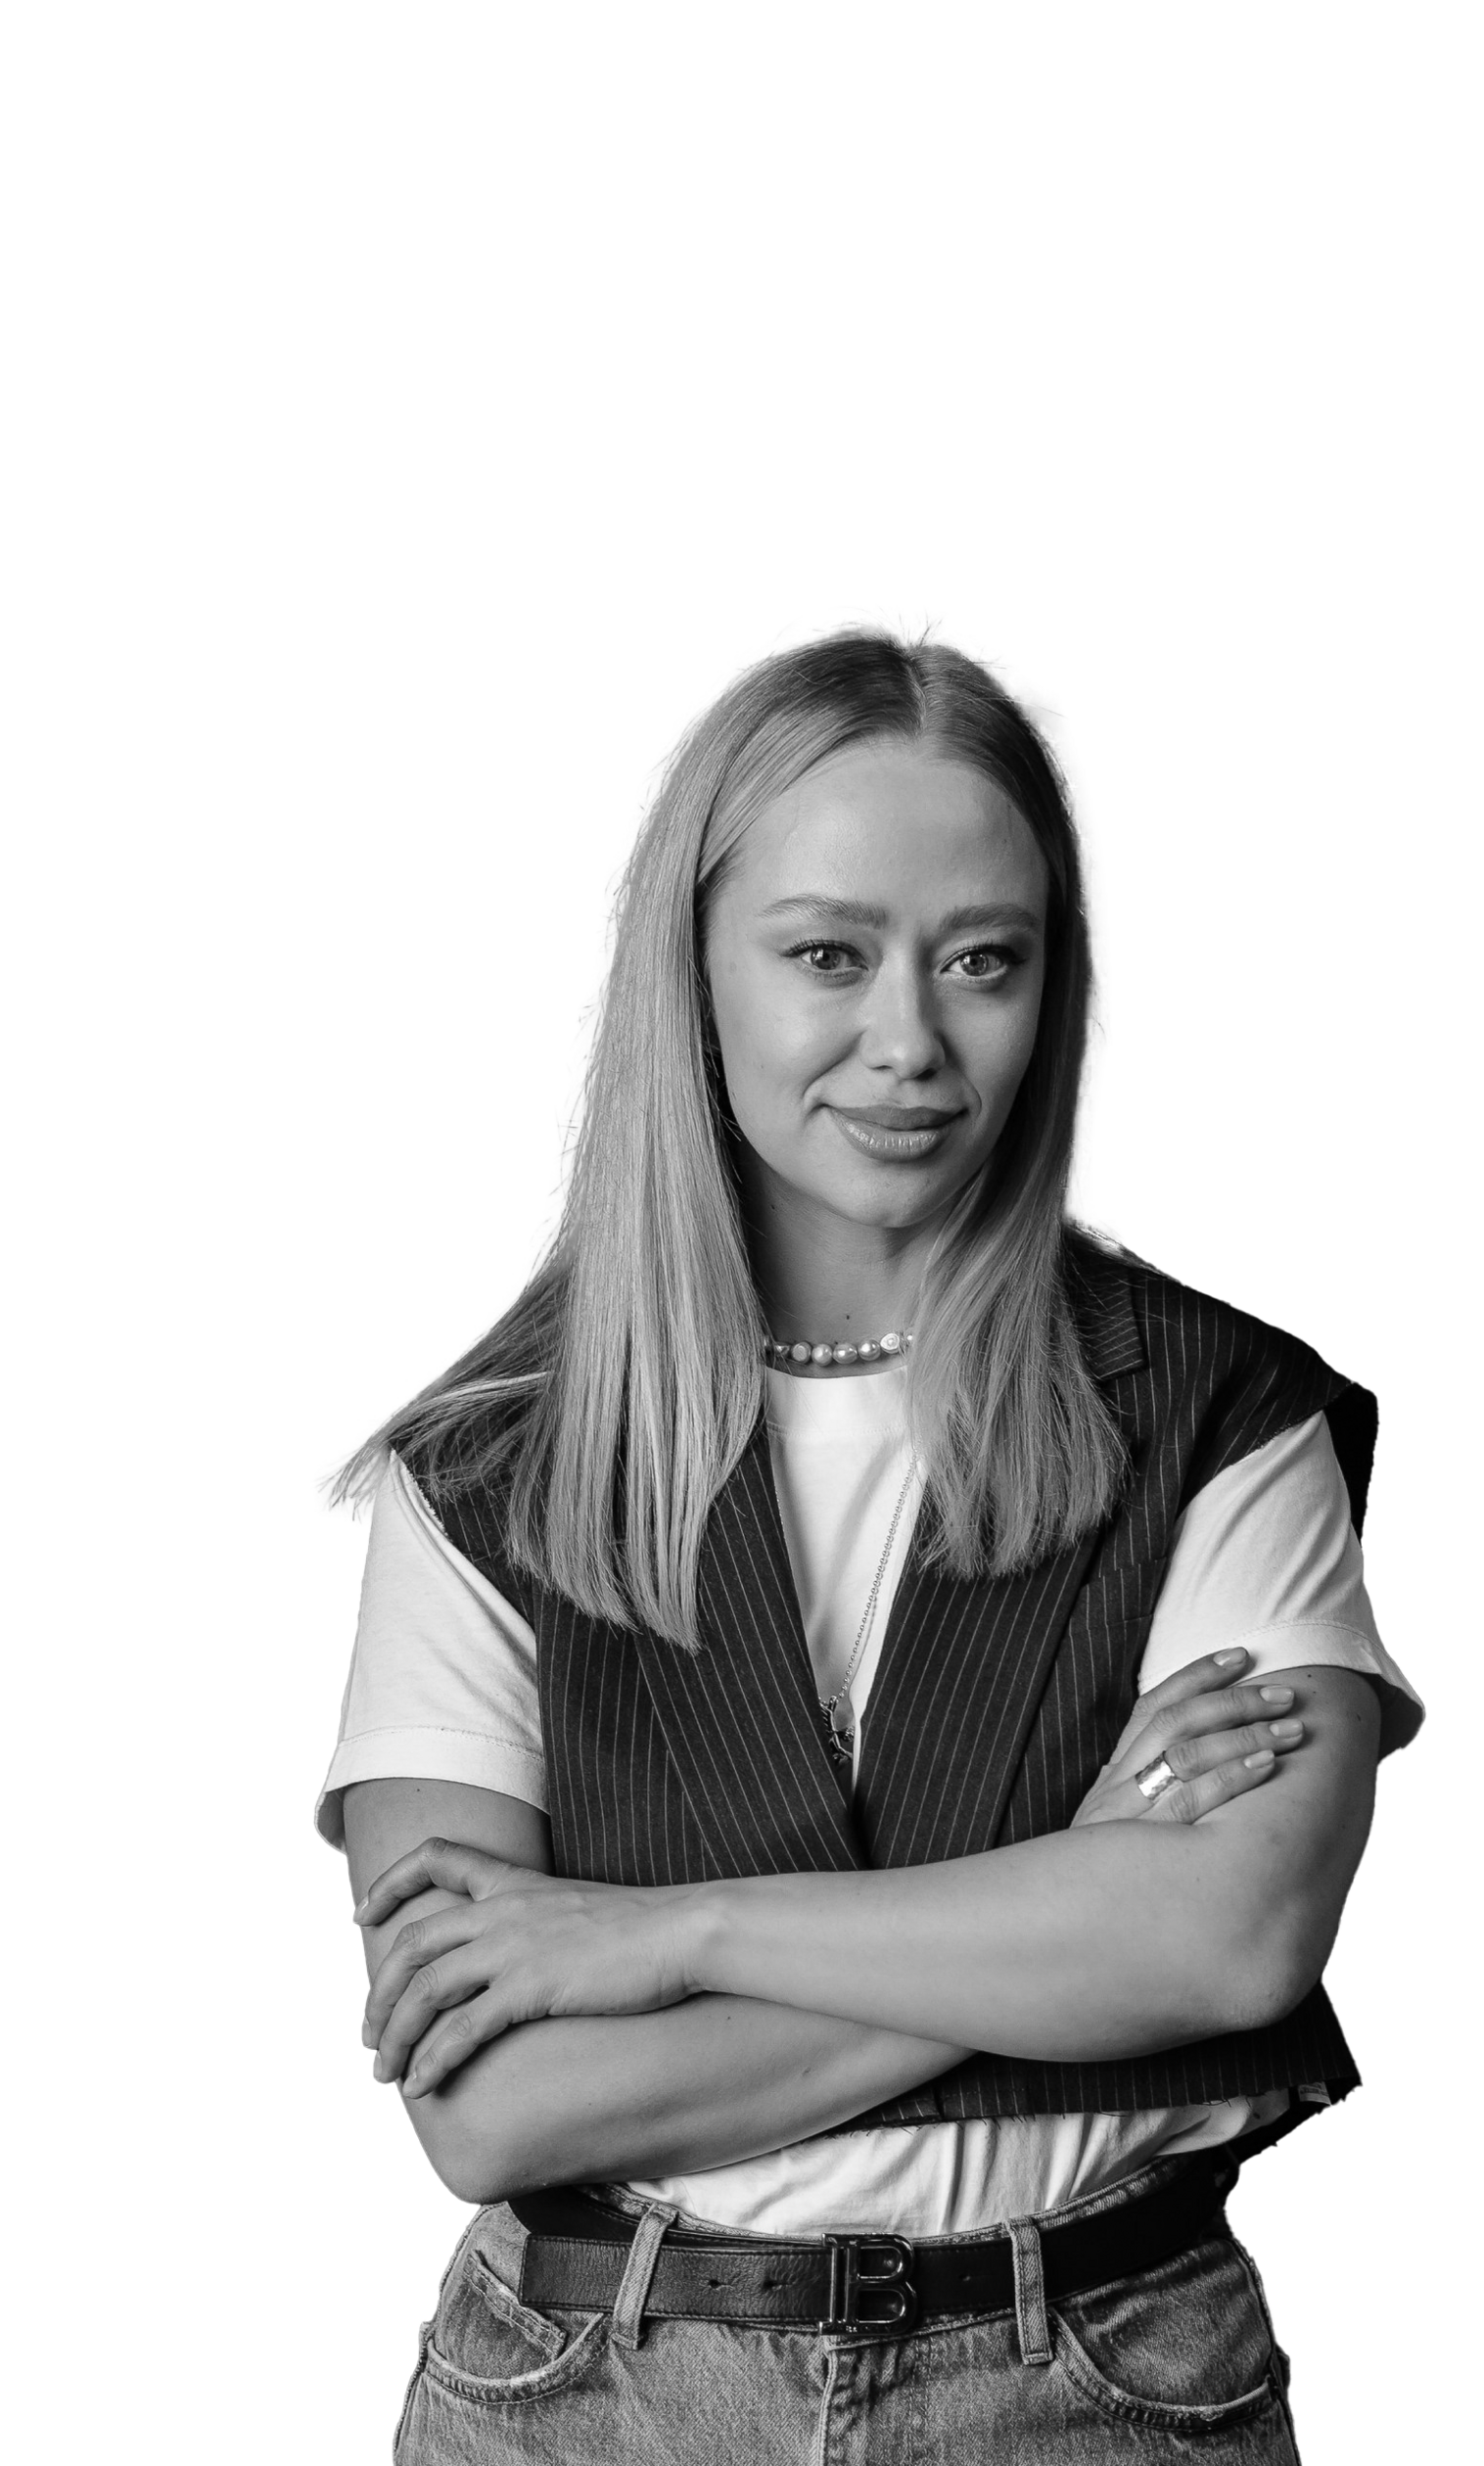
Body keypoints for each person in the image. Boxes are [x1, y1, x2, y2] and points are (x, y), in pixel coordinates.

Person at [317, 612, 1423, 2463]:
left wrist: (669, 1936)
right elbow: (499, 2108)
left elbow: (1232, 1940)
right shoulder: (489, 1476)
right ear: (693, 970)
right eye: (827, 953)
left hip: (1098, 2384)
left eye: (985, 959)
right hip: (581, 2396)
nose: (911, 1043)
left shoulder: (1223, 1407)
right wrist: (1070, 1900)